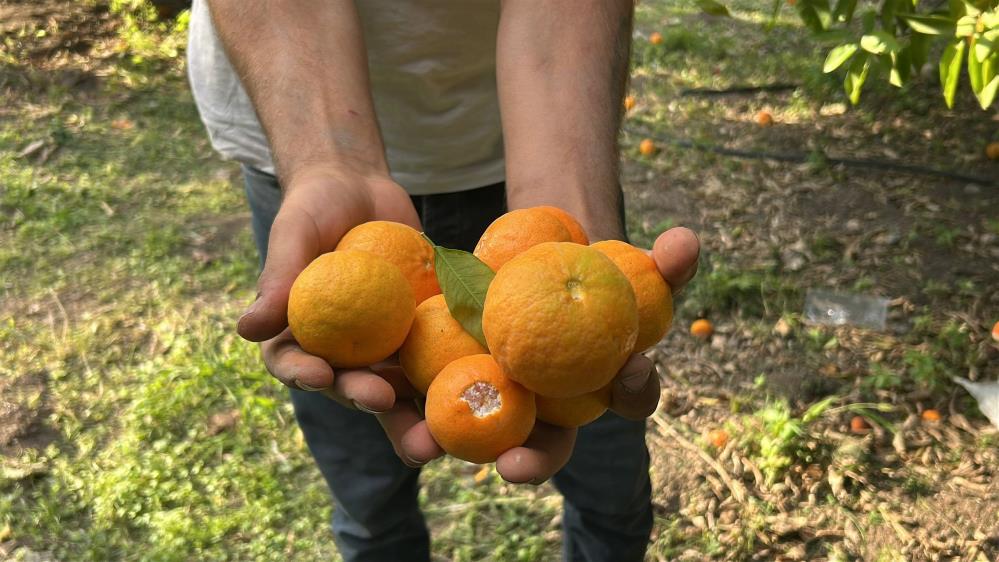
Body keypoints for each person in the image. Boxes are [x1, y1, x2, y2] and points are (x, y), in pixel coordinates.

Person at [187, 1, 699, 560]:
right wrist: (330, 157)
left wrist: (568, 200)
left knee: (609, 477)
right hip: (306, 146)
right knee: (369, 498)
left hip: (531, 173)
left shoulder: (573, 274)